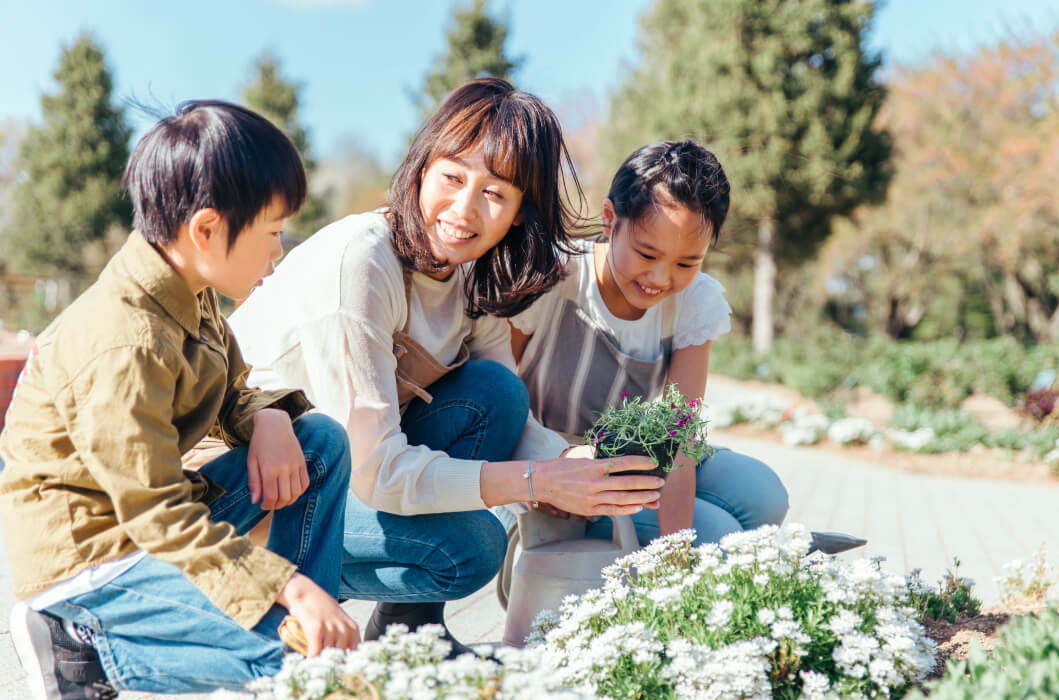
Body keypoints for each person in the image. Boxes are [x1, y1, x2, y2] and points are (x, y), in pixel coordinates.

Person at [228, 78, 663, 651]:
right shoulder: (361, 265)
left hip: (337, 472)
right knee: (469, 547)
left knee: (495, 395)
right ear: (421, 168)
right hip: (249, 491)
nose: (463, 209)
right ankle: (261, 601)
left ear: (516, 214)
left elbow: (502, 401)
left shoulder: (464, 269)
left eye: (495, 193)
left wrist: (571, 463)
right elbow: (377, 472)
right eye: (453, 177)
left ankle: (409, 630)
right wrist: (534, 482)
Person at [1, 101, 360, 700]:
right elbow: (156, 515)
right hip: (96, 557)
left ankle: (307, 645)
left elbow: (233, 392)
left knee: (319, 442)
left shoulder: (189, 287)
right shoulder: (124, 343)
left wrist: (270, 419)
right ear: (207, 228)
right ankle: (72, 641)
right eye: (273, 231)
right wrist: (285, 585)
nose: (279, 252)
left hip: (154, 522)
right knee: (289, 664)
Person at [510, 139, 790, 546]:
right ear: (610, 220)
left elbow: (680, 437)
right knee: (718, 537)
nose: (660, 279)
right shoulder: (554, 276)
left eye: (686, 263)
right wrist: (547, 471)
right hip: (546, 469)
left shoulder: (695, 302)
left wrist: (673, 556)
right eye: (646, 254)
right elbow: (501, 402)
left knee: (762, 496)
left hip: (634, 462)